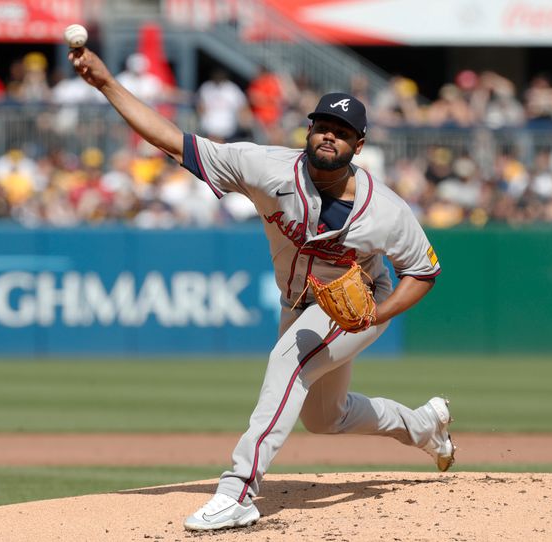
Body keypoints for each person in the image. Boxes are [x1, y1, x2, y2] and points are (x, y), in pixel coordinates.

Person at [69, 46, 454, 532]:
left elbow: (422, 271)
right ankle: (421, 426)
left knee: (288, 361)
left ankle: (238, 492)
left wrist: (376, 316)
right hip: (298, 302)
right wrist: (106, 83)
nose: (329, 136)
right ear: (308, 131)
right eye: (322, 127)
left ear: (358, 146)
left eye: (342, 133)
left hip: (360, 302)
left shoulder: (386, 211)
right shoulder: (264, 167)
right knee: (325, 417)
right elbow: (175, 140)